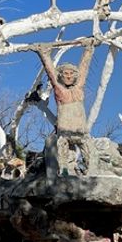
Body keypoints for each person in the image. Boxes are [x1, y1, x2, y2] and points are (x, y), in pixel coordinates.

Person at [37, 40, 96, 173]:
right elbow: (51, 73)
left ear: (75, 76)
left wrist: (88, 49)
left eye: (71, 74)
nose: (69, 76)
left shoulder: (78, 88)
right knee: (62, 156)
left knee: (90, 157)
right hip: (64, 130)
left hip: (81, 130)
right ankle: (63, 170)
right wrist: (44, 54)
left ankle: (90, 171)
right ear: (61, 76)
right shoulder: (60, 90)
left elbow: (84, 69)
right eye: (65, 74)